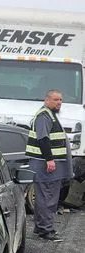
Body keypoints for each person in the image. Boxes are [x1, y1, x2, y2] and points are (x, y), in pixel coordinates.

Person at [26, 90, 73, 240]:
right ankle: (46, 230)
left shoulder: (50, 115)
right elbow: (43, 139)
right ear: (47, 100)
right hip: (46, 167)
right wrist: (50, 159)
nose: (59, 103)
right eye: (55, 100)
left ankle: (41, 228)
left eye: (60, 100)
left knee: (46, 197)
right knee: (48, 198)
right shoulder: (44, 116)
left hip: (48, 166)